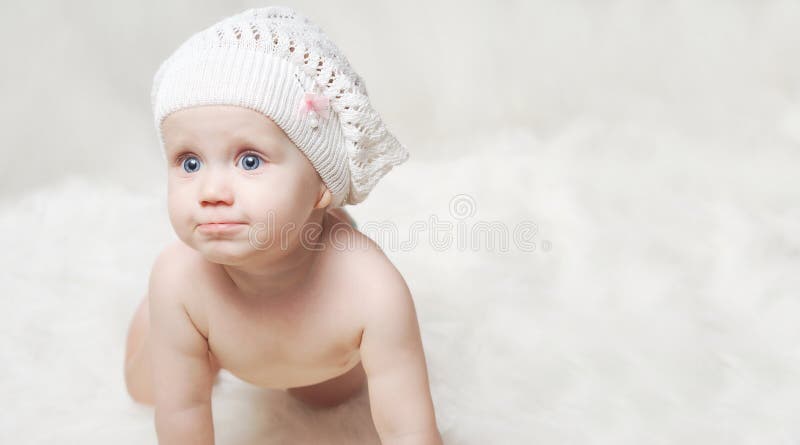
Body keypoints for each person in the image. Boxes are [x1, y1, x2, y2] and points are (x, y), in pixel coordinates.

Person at [123, 6, 443, 444]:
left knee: (328, 398)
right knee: (148, 390)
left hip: (319, 353)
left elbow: (410, 429)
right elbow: (184, 411)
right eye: (189, 162)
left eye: (249, 160)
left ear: (321, 188)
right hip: (214, 334)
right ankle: (172, 333)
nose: (211, 190)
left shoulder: (369, 289)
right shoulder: (180, 280)